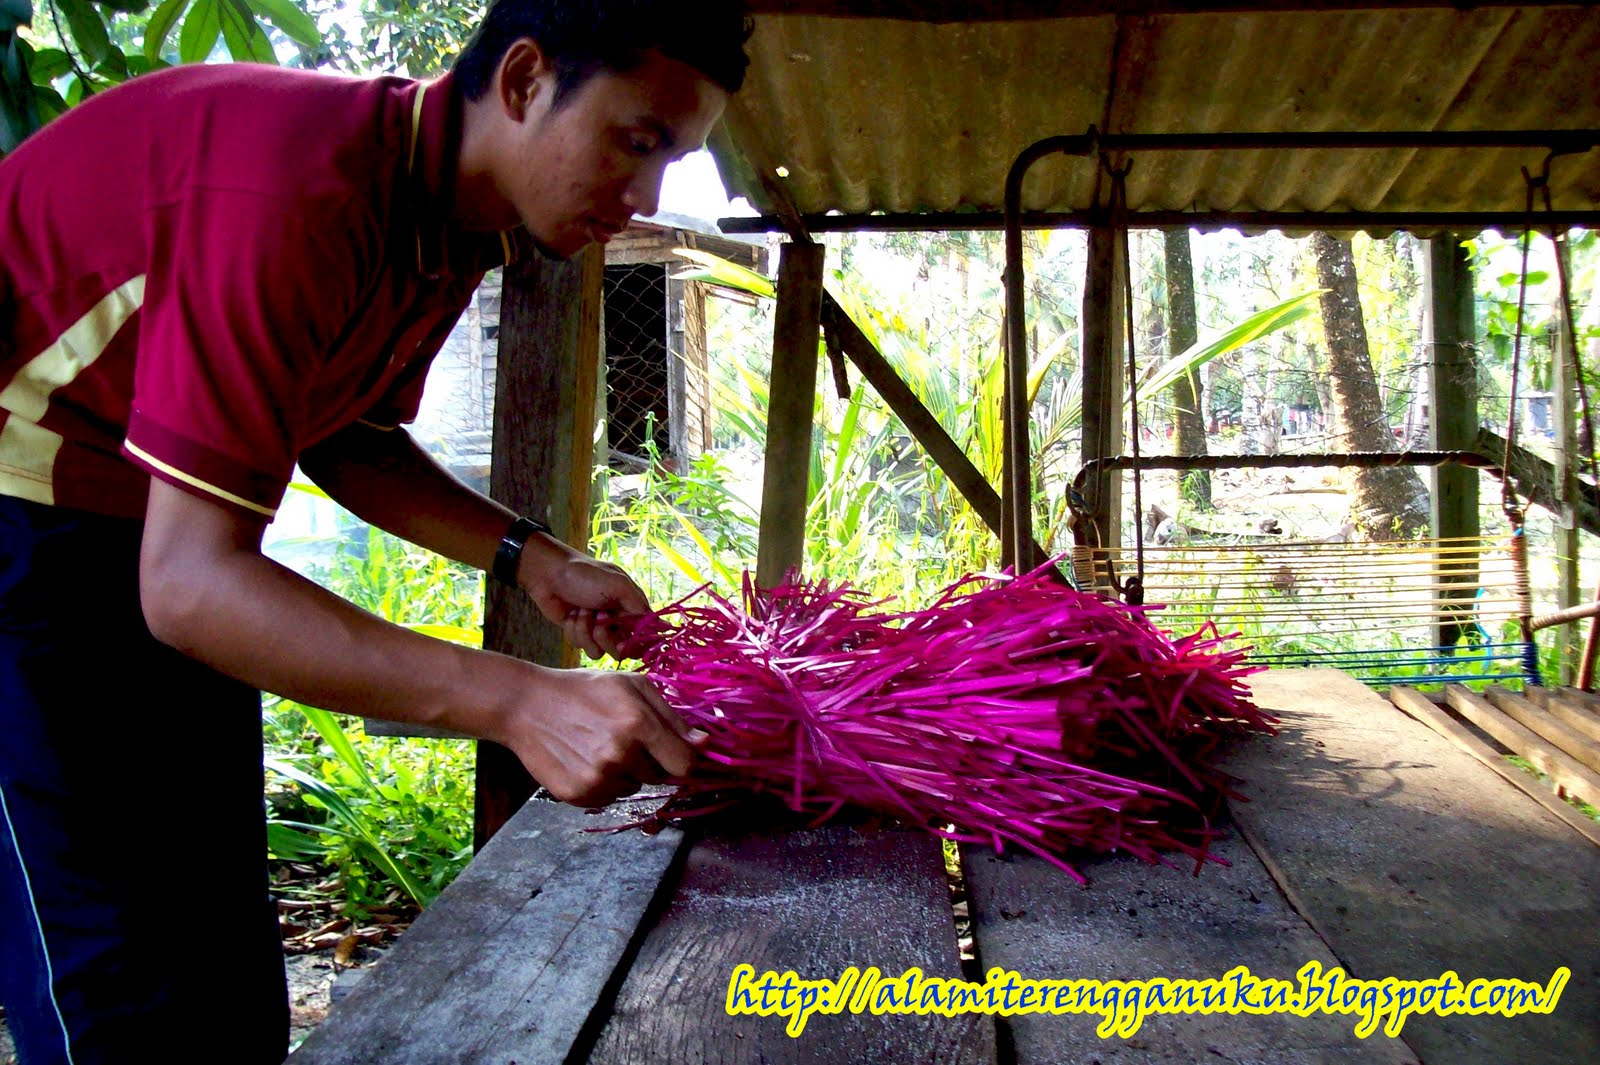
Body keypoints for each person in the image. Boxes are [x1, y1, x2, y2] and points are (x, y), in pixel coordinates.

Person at [0, 2, 751, 1060]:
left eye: (672, 160)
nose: (644, 199)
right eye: (637, 142)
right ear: (527, 80)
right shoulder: (294, 191)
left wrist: (532, 556)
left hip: (132, 522)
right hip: (24, 522)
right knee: (117, 968)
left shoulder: (453, 228)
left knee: (213, 933)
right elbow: (188, 587)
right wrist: (521, 700)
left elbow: (341, 432)